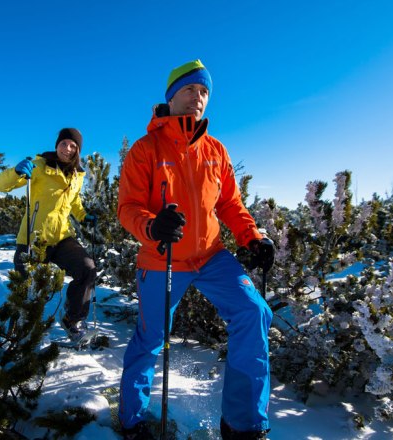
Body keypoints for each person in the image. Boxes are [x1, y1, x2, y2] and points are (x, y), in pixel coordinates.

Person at [116, 60, 276, 440]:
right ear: (171, 96)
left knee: (254, 312)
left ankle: (243, 425)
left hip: (211, 255)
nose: (198, 98)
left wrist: (251, 237)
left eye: (204, 92)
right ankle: (130, 420)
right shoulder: (145, 149)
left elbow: (230, 204)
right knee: (151, 337)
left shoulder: (216, 150)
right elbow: (128, 208)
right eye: (190, 90)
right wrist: (152, 226)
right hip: (162, 258)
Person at [0, 128, 97, 341]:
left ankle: (73, 319)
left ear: (78, 150)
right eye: (64, 144)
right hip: (33, 238)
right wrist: (16, 172)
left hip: (61, 238)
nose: (67, 149)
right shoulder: (39, 166)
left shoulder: (77, 175)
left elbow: (74, 201)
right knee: (23, 286)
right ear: (57, 144)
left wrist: (83, 215)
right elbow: (1, 185)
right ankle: (14, 332)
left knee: (87, 268)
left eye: (73, 146)